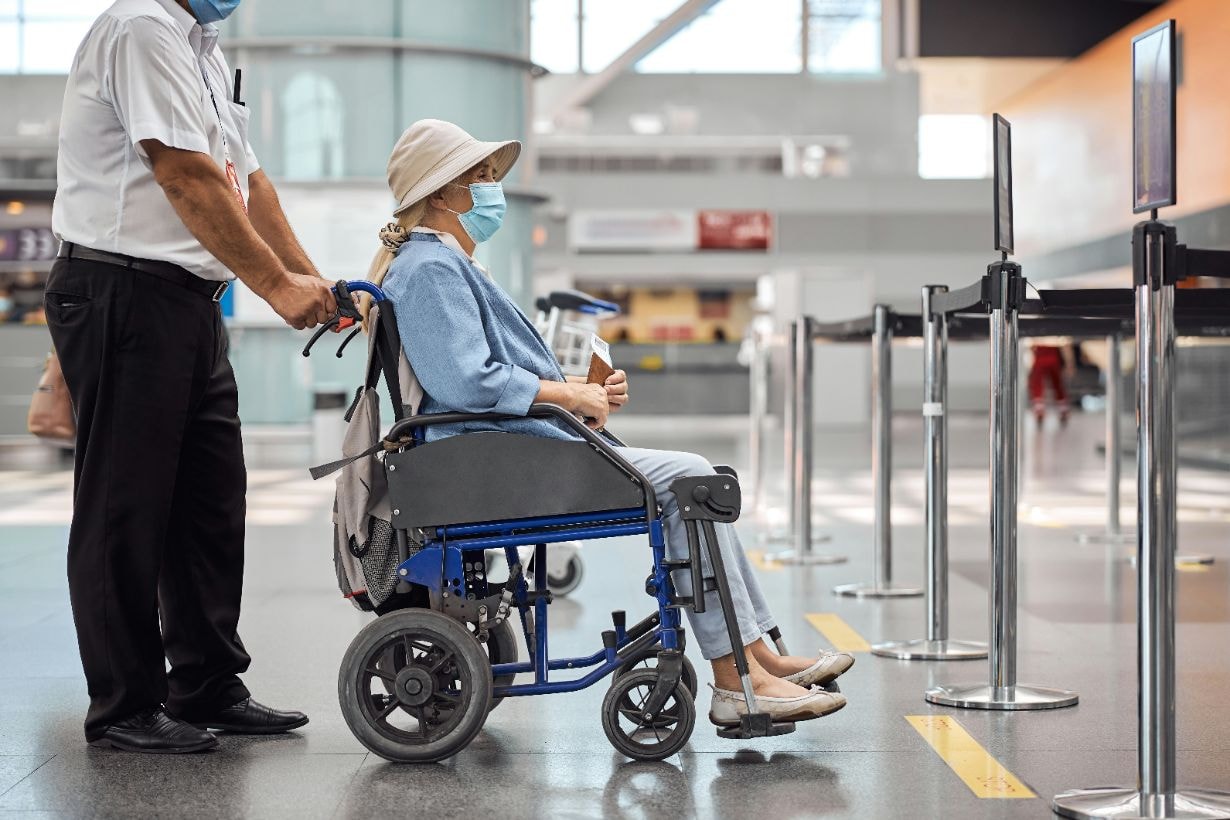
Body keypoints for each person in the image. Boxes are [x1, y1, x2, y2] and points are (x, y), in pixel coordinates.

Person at [366, 119, 853, 727]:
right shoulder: (431, 268)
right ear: (441, 194)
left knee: (697, 477)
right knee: (691, 480)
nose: (493, 189)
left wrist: (585, 390)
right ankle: (737, 678)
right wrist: (570, 396)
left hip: (502, 451)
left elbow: (484, 374)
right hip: (497, 458)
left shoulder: (440, 264)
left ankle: (757, 657)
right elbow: (467, 382)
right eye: (481, 177)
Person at [47, 0, 336, 753]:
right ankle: (123, 705)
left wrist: (314, 282)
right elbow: (183, 172)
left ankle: (206, 682)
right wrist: (276, 289)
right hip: (123, 290)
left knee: (210, 502)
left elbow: (249, 186)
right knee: (125, 506)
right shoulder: (141, 26)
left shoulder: (201, 47)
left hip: (187, 302)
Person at [1027, 339, 1076, 427]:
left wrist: (1069, 363)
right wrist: (1069, 363)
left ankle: (1040, 409)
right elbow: (1066, 346)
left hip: (1042, 356)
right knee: (1057, 384)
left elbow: (1031, 347)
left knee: (1039, 384)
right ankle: (1062, 409)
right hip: (1050, 357)